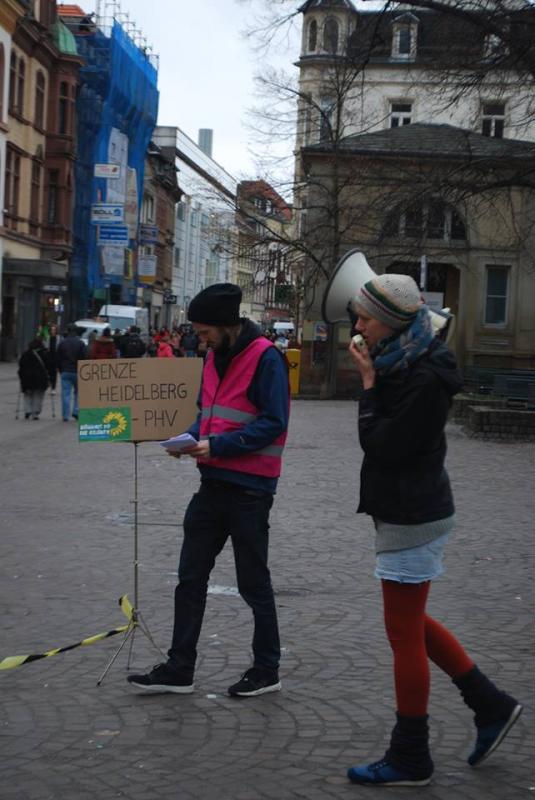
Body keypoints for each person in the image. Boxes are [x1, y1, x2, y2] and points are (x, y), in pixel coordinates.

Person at [345, 274, 522, 786]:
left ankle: (410, 757)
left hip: (414, 515)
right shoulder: (406, 359)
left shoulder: (423, 376)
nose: (358, 325)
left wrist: (369, 386)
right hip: (407, 510)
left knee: (402, 634)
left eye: (366, 318)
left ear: (395, 323)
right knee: (412, 622)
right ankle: (489, 704)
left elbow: (383, 445)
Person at [127, 283, 290, 698]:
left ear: (226, 325)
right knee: (190, 576)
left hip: (251, 489)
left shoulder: (266, 359)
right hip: (212, 483)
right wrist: (187, 438)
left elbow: (274, 422)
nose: (199, 340)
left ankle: (267, 669)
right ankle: (180, 668)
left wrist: (215, 445)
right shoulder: (215, 356)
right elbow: (210, 415)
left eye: (204, 332)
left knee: (254, 583)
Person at [56, 324, 87, 422]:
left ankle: (65, 415)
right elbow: (84, 358)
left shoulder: (62, 343)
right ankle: (76, 411)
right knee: (79, 393)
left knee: (66, 394)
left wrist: (61, 370)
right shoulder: (80, 343)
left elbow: (57, 358)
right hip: (78, 371)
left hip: (65, 371)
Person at [18, 337, 51, 420]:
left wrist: (21, 377)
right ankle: (35, 412)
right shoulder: (44, 354)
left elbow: (21, 367)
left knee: (28, 394)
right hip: (40, 379)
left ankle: (27, 410)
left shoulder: (25, 354)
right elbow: (48, 366)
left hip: (27, 378)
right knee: (38, 395)